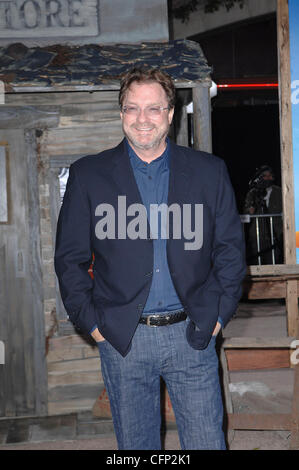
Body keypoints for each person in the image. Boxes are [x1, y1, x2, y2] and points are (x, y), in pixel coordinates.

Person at [54, 67, 246, 450]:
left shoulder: (209, 172)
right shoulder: (88, 175)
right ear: (121, 113)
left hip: (193, 333)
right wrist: (94, 326)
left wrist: (218, 315)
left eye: (153, 109)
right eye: (132, 108)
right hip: (124, 337)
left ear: (171, 114)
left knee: (208, 443)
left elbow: (230, 251)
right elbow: (69, 259)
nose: (143, 119)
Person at [243, 165, 283, 264]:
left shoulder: (280, 191)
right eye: (265, 176)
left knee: (274, 261)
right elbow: (246, 212)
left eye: (270, 175)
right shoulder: (253, 193)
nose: (268, 178)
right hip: (257, 235)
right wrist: (250, 210)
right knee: (258, 261)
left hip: (276, 234)